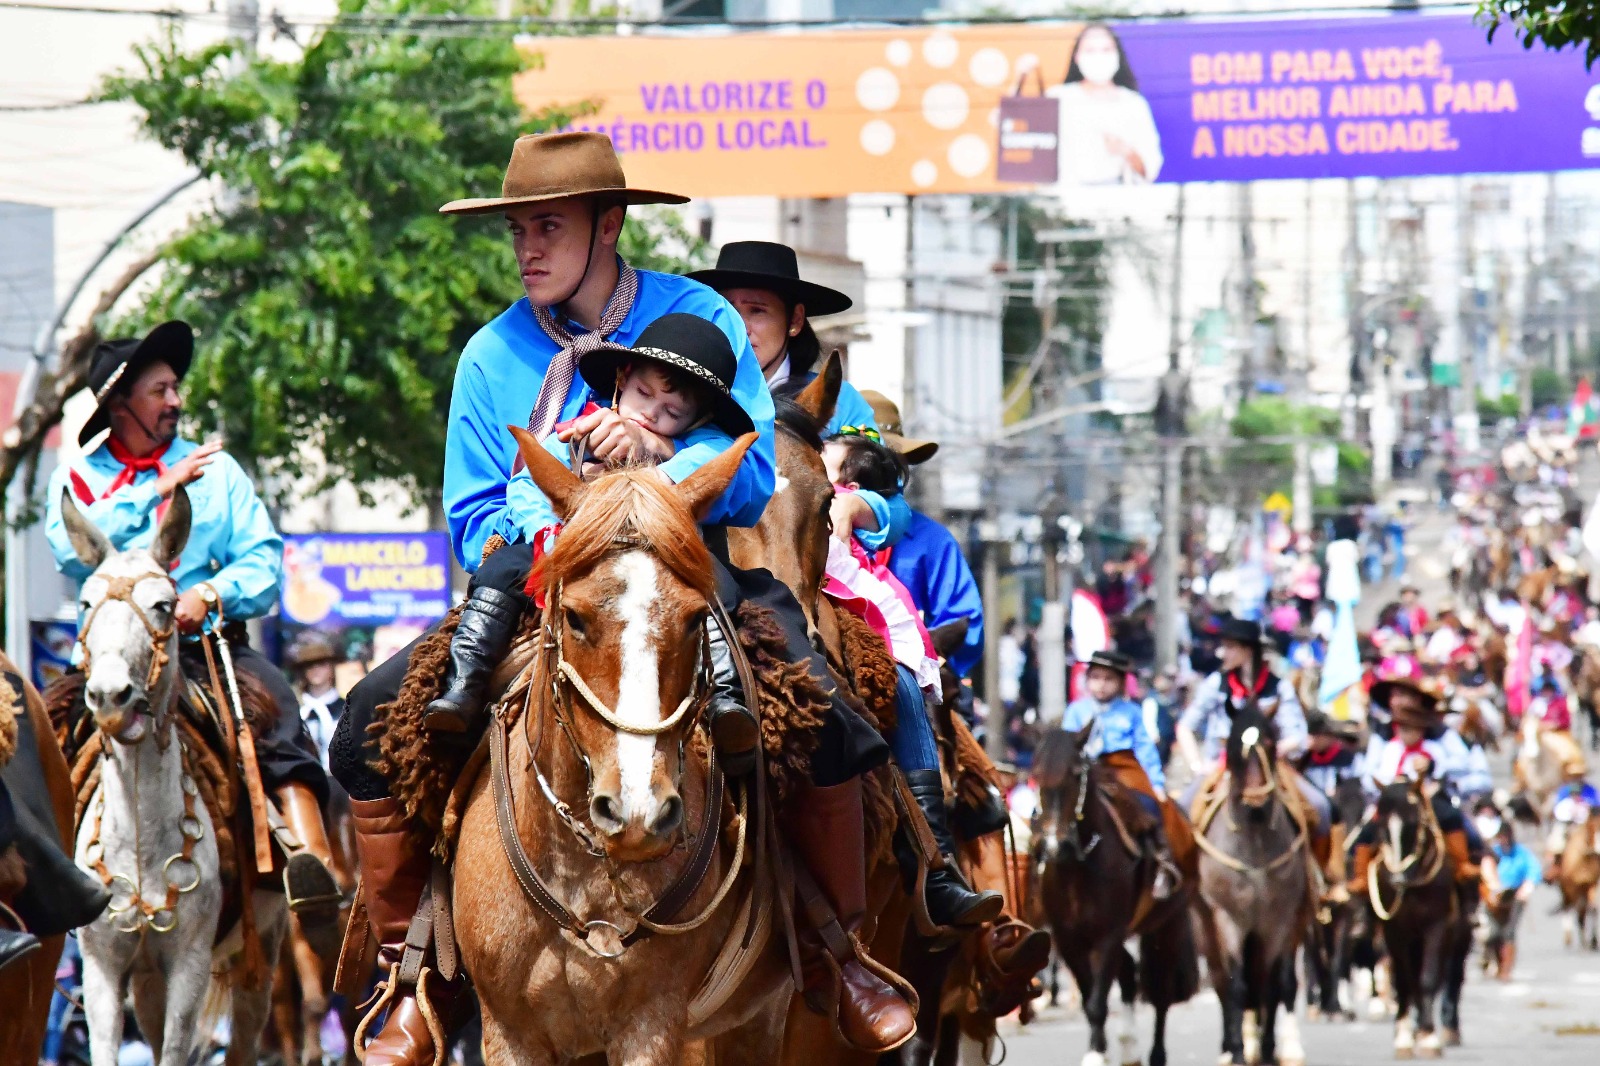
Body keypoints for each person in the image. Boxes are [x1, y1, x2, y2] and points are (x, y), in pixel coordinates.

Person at [329, 132, 915, 1062]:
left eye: (549, 227)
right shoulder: (490, 356)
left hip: (686, 566)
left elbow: (756, 468)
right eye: (519, 229)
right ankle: (409, 974)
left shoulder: (699, 316)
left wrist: (653, 465)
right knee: (366, 723)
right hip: (540, 578)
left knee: (826, 713)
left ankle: (837, 951)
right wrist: (560, 530)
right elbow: (473, 510)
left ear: (610, 225)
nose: (528, 248)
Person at [44, 322, 341, 949]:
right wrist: (158, 492)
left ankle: (309, 860)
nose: (176, 400)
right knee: (42, 738)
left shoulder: (219, 470)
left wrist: (209, 594)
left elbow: (261, 558)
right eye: (161, 390)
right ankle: (38, 880)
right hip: (106, 661)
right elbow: (70, 553)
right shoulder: (78, 478)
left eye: (176, 387)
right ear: (121, 405)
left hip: (208, 651)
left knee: (279, 709)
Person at [1175, 617, 1342, 899]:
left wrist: (1275, 749)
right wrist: (1196, 764)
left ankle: (1324, 878)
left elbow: (1298, 734)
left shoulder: (1279, 687)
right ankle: (1181, 879)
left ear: (1248, 650)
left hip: (1269, 764)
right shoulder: (1216, 684)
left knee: (1321, 807)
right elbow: (1185, 726)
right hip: (1223, 766)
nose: (1222, 654)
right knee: (1180, 809)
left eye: (1229, 647)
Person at [686, 240, 875, 435]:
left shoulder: (839, 402)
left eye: (757, 310)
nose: (739, 327)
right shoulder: (686, 394)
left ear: (795, 320)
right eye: (728, 310)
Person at [859, 390, 985, 681]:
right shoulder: (819, 531)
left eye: (887, 463)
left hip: (917, 675)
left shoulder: (932, 541)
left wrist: (921, 660)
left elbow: (965, 620)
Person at [1062, 650, 1190, 899]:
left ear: (1121, 683)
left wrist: (1156, 783)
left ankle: (1161, 859)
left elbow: (1145, 749)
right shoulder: (1076, 711)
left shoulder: (1130, 712)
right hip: (1084, 772)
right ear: (1087, 680)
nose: (1101, 684)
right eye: (1096, 677)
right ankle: (1045, 858)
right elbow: (1065, 747)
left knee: (1148, 806)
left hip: (1121, 770)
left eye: (1108, 679)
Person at [1350, 672, 1480, 893]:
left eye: (1403, 695)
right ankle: (1361, 880)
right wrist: (1385, 787)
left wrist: (1433, 767)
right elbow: (1370, 773)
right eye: (1394, 696)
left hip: (1429, 797)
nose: (1397, 701)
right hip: (1391, 799)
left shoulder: (1439, 735)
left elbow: (1461, 764)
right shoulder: (1385, 739)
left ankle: (1464, 866)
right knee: (1365, 832)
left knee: (1456, 822)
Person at [1034, 22, 1162, 185]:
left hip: (1118, 200)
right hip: (1065, 199)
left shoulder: (1133, 103)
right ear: (1077, 57)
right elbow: (1025, 139)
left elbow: (1150, 169)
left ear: (1117, 55)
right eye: (1090, 50)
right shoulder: (1057, 98)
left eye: (1106, 50)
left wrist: (1127, 152)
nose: (1098, 56)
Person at [1481, 818, 1539, 981]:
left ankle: (1506, 968)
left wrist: (1527, 887)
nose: (1503, 839)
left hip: (1514, 895)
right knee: (1492, 933)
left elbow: (1533, 870)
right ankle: (1491, 959)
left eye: (1506, 836)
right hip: (1494, 895)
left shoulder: (1521, 853)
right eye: (1501, 836)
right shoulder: (1493, 852)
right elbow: (1485, 868)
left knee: (1509, 932)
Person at [291, 633, 345, 771]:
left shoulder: (346, 709)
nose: (316, 670)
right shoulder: (295, 709)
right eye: (309, 665)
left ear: (331, 668)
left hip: (340, 783)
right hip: (306, 781)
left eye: (321, 664)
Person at [1545, 762, 1599, 881]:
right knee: (1556, 841)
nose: (1577, 778)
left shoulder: (1591, 790)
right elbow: (1558, 808)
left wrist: (1587, 808)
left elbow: (1597, 805)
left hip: (1587, 824)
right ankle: (1554, 865)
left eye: (1579, 775)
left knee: (1597, 842)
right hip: (1567, 824)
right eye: (1574, 775)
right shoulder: (1564, 790)